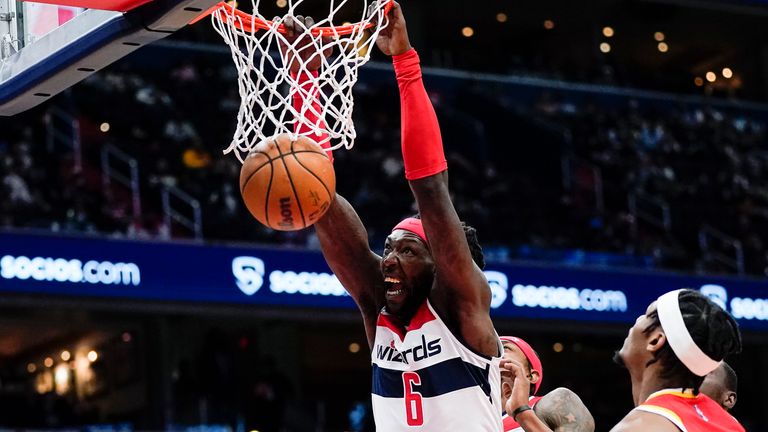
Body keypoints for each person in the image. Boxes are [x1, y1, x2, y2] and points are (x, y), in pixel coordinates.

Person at [283, 3, 503, 430]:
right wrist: (305, 79)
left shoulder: (462, 309)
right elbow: (320, 200)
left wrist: (404, 63)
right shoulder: (378, 307)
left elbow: (431, 190)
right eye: (388, 248)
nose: (389, 259)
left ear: (441, 264)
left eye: (408, 250)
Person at [609, 289, 744, 431]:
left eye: (647, 315)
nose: (637, 319)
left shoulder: (638, 427)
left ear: (655, 341)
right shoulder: (730, 424)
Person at [499, 336, 594, 432]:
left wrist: (522, 413)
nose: (494, 354)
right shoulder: (485, 417)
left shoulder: (556, 402)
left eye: (505, 348)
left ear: (531, 375)